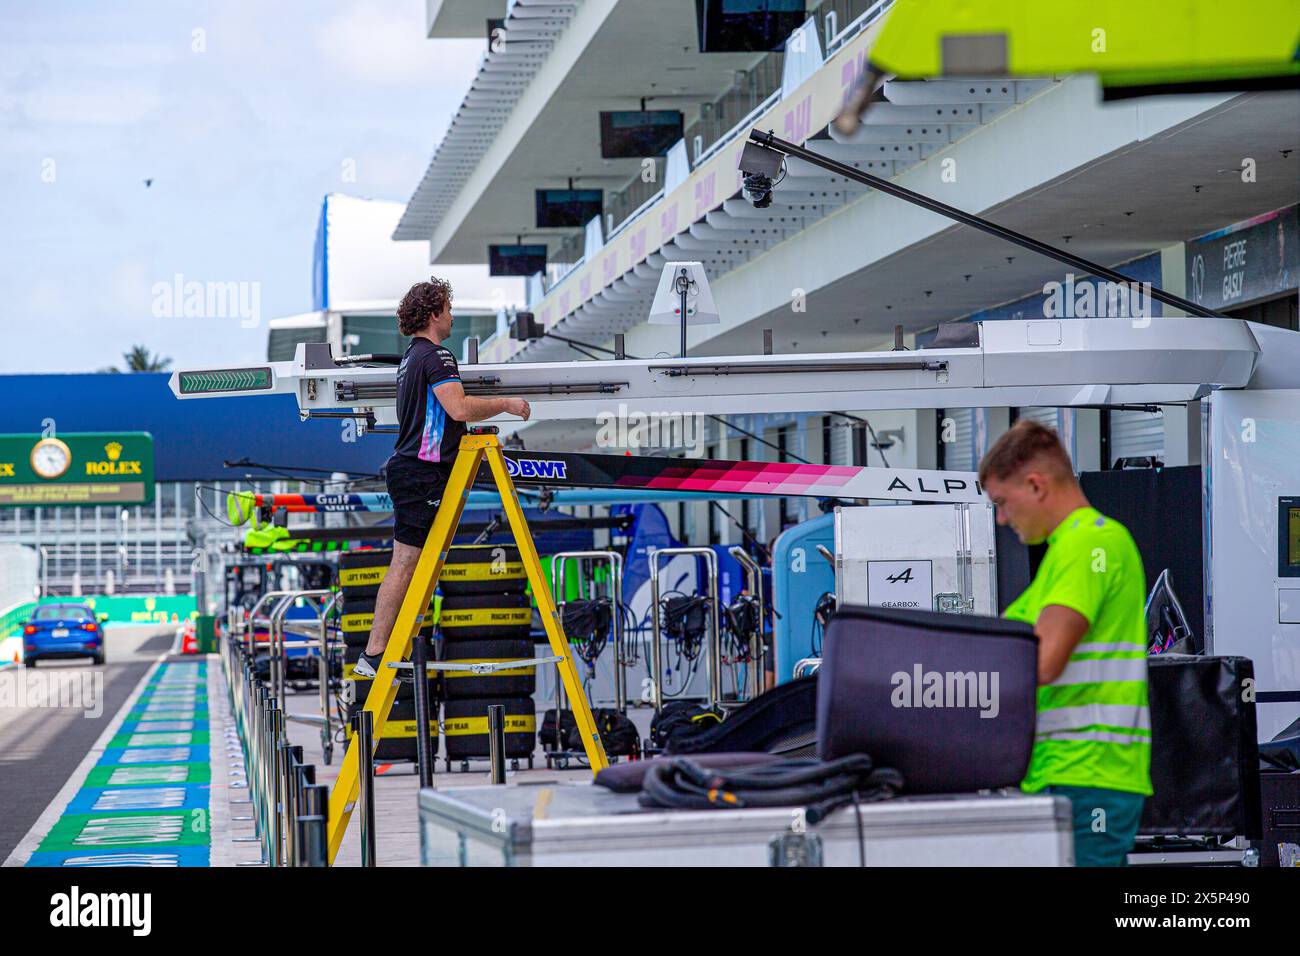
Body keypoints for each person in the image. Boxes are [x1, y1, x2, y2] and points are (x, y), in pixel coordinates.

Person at [979, 420, 1151, 866]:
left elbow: (1042, 662)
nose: (1001, 518)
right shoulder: (1065, 552)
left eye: (1002, 502)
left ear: (1035, 485)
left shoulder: (1089, 543)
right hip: (1066, 773)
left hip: (1088, 776)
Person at [353, 278, 531, 678]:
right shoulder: (437, 357)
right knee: (406, 562)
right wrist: (507, 404)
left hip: (413, 470)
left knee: (408, 562)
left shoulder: (410, 359)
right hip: (422, 472)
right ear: (434, 313)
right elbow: (459, 408)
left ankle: (377, 651)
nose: (453, 316)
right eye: (449, 309)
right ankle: (377, 652)